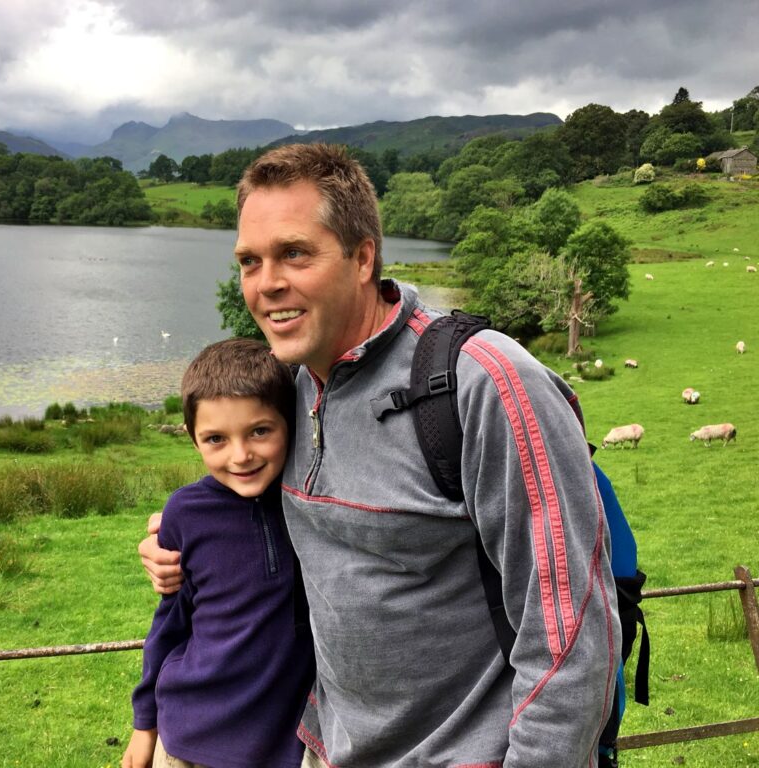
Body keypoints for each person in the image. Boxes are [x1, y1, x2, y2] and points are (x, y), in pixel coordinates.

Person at [140, 143, 621, 767]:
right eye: (249, 261)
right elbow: (251, 491)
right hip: (327, 747)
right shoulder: (294, 384)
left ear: (363, 256)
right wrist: (173, 538)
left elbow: (569, 636)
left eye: (294, 253)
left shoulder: (485, 384)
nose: (267, 284)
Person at [122, 337, 315, 768]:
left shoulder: (311, 496)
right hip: (190, 735)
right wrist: (144, 725)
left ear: (291, 423)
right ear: (192, 439)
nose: (241, 455)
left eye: (260, 431)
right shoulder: (184, 513)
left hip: (286, 742)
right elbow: (169, 625)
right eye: (215, 439)